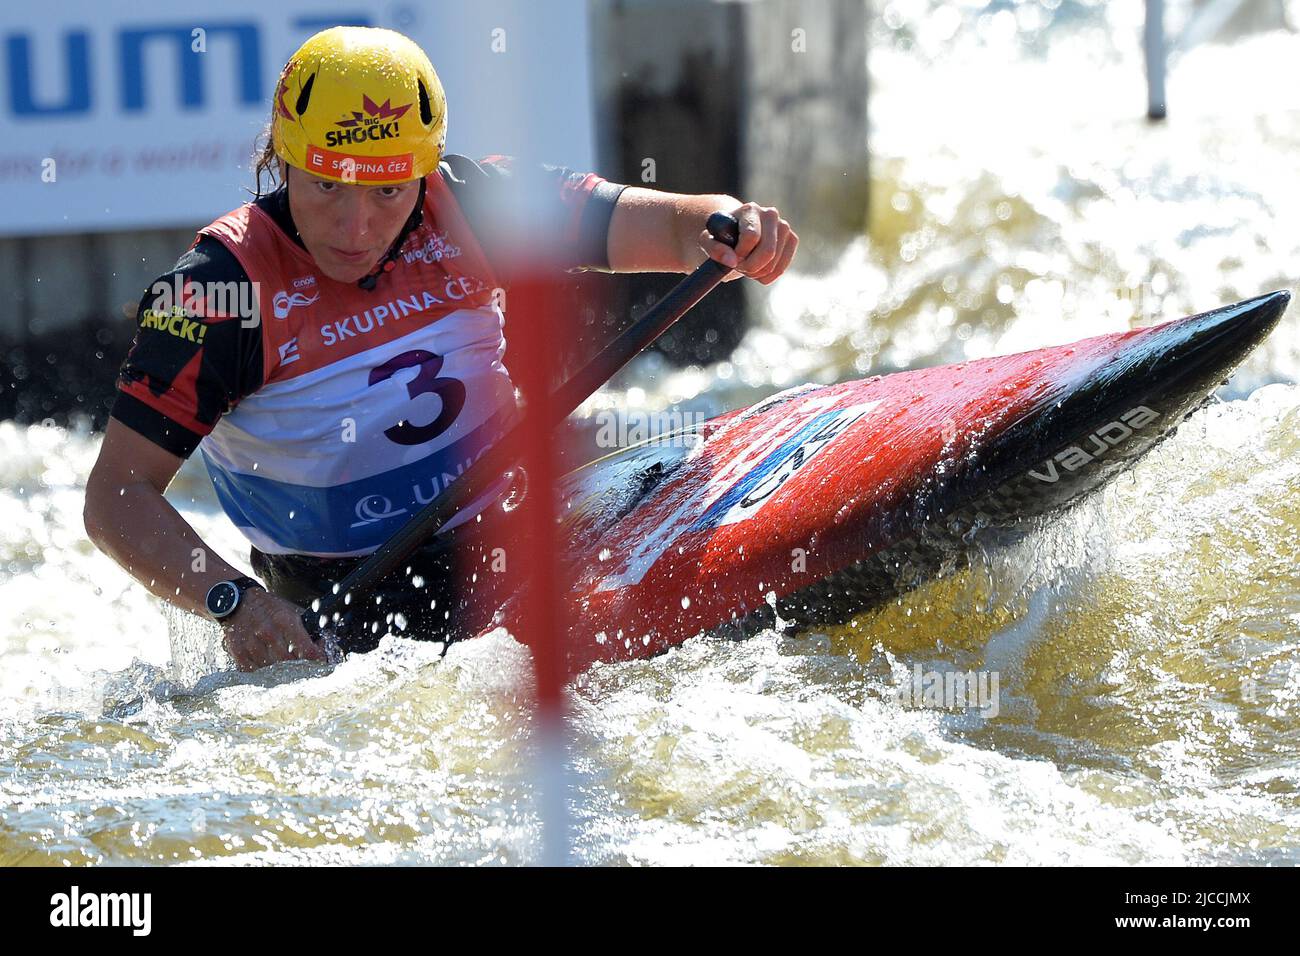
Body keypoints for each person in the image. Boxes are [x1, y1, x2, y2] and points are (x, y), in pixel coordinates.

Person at [83, 25, 798, 672]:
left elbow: (674, 229)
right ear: (283, 159)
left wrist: (731, 224)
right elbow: (116, 497)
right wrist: (234, 604)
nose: (357, 224)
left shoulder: (471, 202)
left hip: (520, 524)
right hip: (355, 607)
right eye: (328, 185)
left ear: (423, 172)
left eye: (390, 192)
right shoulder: (215, 292)